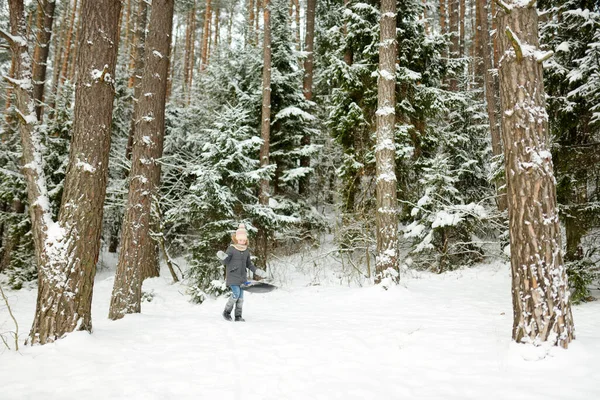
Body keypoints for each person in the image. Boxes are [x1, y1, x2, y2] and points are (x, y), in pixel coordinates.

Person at [217, 223, 265, 321]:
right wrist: (222, 256)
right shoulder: (231, 249)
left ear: (246, 240)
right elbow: (225, 261)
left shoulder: (246, 251)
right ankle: (226, 312)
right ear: (236, 239)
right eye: (240, 240)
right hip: (233, 276)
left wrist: (257, 271)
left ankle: (238, 316)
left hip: (242, 278)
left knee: (241, 298)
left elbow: (249, 264)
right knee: (236, 294)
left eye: (244, 240)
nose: (242, 242)